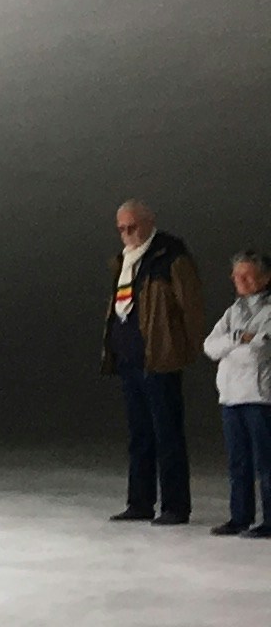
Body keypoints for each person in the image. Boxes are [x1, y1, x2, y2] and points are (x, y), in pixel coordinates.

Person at [103, 201, 204, 525]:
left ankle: (175, 506)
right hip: (131, 359)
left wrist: (186, 350)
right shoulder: (124, 261)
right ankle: (140, 502)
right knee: (140, 434)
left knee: (167, 434)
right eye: (121, 228)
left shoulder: (170, 255)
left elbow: (192, 308)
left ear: (150, 222)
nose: (127, 234)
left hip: (160, 359)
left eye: (132, 227)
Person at [205, 250, 271, 540]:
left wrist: (231, 345)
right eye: (236, 275)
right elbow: (210, 346)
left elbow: (261, 351)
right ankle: (240, 517)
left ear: (265, 277)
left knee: (266, 462)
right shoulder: (234, 310)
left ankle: (269, 520)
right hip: (231, 395)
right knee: (238, 462)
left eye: (247, 275)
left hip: (259, 396)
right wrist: (240, 338)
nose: (239, 280)